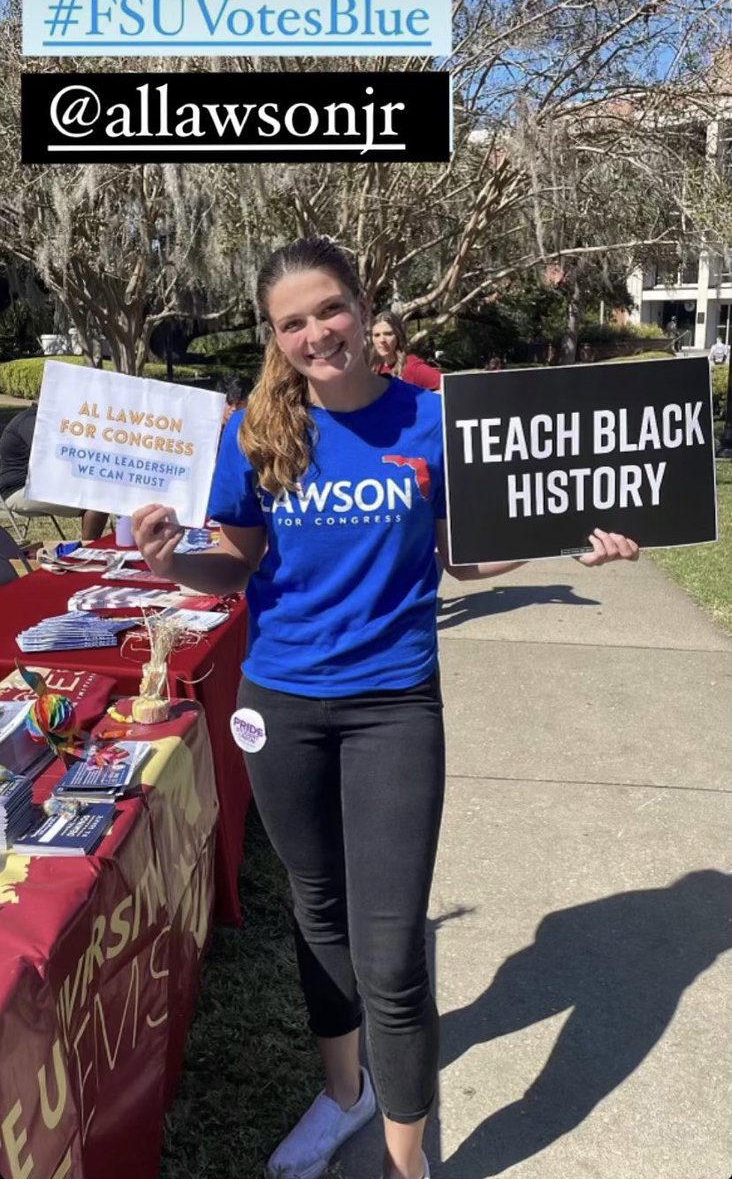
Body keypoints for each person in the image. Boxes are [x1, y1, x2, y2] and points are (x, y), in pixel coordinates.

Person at [131, 237, 640, 1179]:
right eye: (293, 322)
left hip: (393, 707)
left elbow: (465, 556)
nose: (316, 332)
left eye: (330, 309)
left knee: (393, 951)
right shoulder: (255, 434)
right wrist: (170, 563)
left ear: (364, 310)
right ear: (273, 336)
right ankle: (343, 1095)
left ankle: (407, 1165)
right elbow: (233, 565)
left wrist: (569, 540)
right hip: (279, 705)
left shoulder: (434, 420)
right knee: (318, 913)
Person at [0, 404, 108, 539]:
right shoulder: (30, 421)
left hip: (37, 486)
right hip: (18, 490)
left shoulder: (46, 420)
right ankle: (88, 551)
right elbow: (54, 453)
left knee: (102, 492)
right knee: (97, 502)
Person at [371, 310, 442, 391]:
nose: (382, 340)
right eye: (377, 335)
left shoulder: (412, 367)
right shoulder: (374, 369)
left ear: (398, 336)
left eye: (388, 334)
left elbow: (449, 387)